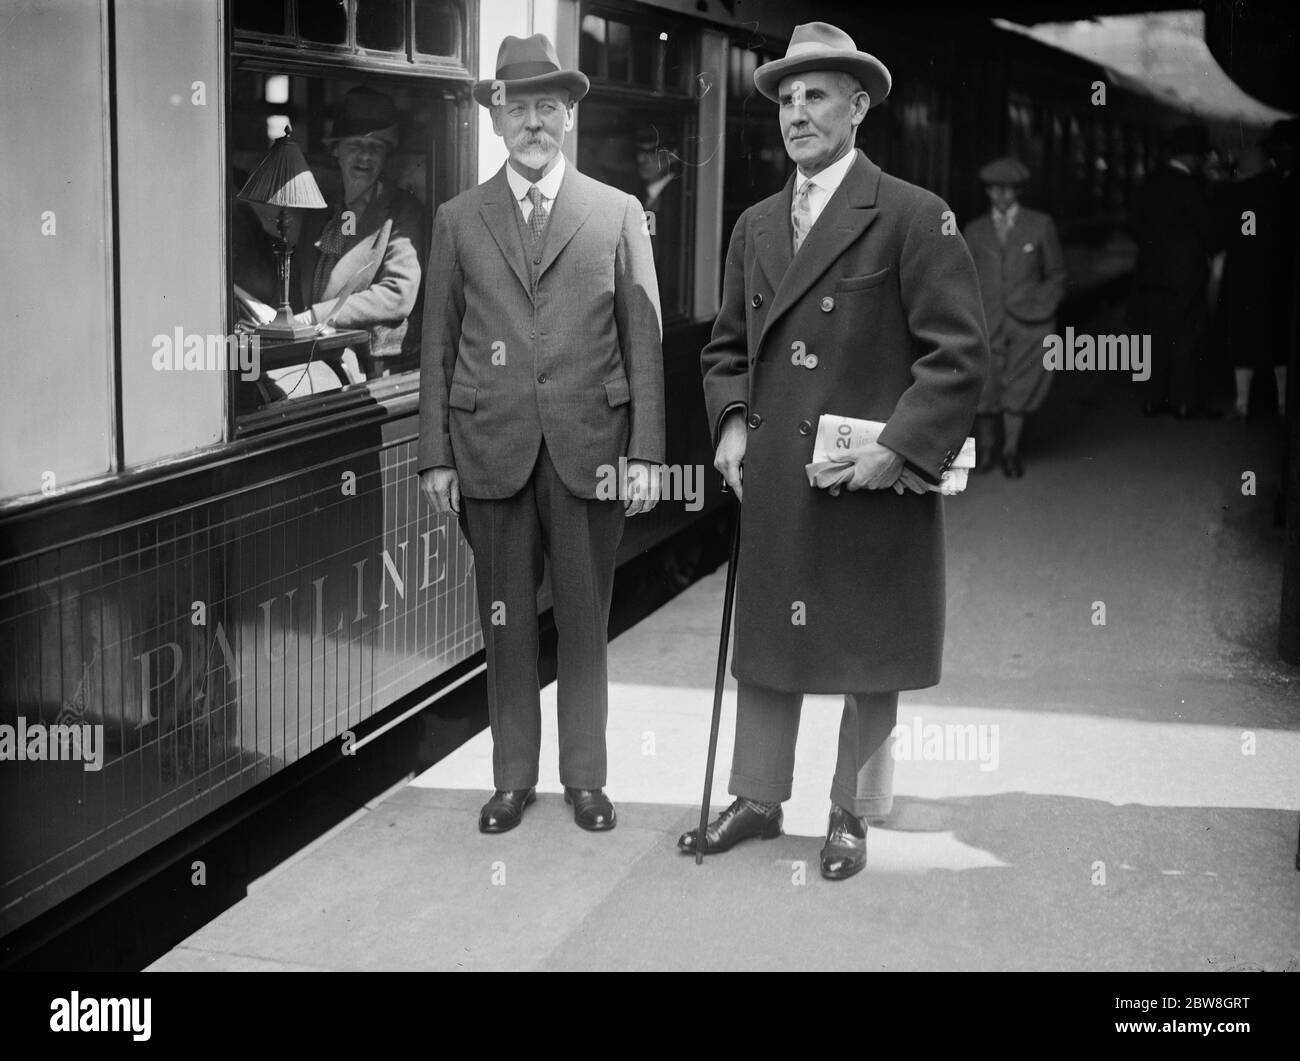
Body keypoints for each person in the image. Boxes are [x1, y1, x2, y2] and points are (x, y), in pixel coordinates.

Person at [689, 22, 988, 879]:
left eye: (815, 95)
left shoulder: (913, 213)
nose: (797, 112)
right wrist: (733, 419)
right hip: (782, 474)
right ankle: (755, 794)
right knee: (770, 647)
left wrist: (901, 448)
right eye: (785, 98)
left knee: (869, 643)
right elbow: (724, 349)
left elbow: (958, 355)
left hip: (867, 474)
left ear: (859, 108)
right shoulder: (754, 225)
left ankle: (852, 810)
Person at [416, 35, 665, 835]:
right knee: (505, 619)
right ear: (497, 119)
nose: (533, 121)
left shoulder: (619, 212)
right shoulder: (459, 219)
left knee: (586, 621)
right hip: (490, 449)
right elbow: (437, 345)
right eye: (518, 107)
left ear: (569, 116)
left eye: (547, 107)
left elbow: (644, 343)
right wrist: (435, 456)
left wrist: (648, 455)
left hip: (591, 448)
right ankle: (512, 779)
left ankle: (585, 779)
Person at [295, 86, 425, 378]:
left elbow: (398, 294)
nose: (365, 156)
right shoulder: (323, 209)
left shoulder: (402, 211)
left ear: (386, 157)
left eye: (376, 147)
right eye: (355, 145)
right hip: (317, 350)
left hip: (376, 364)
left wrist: (317, 317)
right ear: (336, 151)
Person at [963, 157, 1067, 478]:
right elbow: (963, 276)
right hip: (986, 320)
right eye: (995, 189)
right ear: (987, 191)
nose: (1002, 196)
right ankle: (987, 452)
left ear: (1019, 190)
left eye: (1009, 189)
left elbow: (1057, 274)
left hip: (1029, 323)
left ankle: (1010, 452)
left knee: (1019, 388)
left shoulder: (1040, 224)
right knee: (985, 388)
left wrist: (1043, 306)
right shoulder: (974, 230)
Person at [1131, 124, 1215, 419]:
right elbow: (1208, 231)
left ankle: (1151, 399)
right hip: (1186, 277)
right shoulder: (1194, 188)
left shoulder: (1148, 183)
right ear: (1192, 157)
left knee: (1152, 337)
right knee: (1185, 337)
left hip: (1150, 274)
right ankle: (1183, 402)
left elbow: (1136, 228)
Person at [634, 124, 684, 315]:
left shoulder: (679, 201)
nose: (640, 159)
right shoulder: (644, 197)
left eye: (650, 152)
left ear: (672, 155)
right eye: (638, 151)